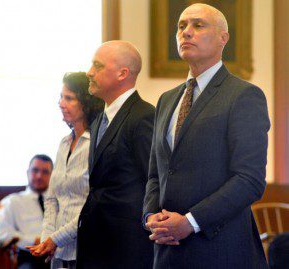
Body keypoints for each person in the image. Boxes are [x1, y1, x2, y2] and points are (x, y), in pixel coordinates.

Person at [143, 3, 270, 269]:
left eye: (198, 25)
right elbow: (157, 173)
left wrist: (190, 222)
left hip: (220, 250)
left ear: (223, 38)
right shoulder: (166, 101)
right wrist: (150, 216)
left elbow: (249, 179)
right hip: (167, 251)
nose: (186, 32)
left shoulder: (244, 95)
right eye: (181, 26)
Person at [76, 40, 154, 269]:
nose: (89, 72)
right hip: (96, 242)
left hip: (128, 246)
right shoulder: (100, 118)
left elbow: (153, 180)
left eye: (98, 66)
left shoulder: (144, 117)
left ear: (122, 73)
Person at [27, 72, 104, 269]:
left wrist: (55, 239)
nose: (61, 103)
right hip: (58, 252)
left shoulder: (98, 144)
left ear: (86, 103)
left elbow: (91, 206)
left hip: (87, 248)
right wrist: (47, 240)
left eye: (69, 98)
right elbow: (52, 199)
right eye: (61, 97)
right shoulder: (64, 143)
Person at [0, 154, 53, 269]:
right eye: (35, 170)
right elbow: (1, 236)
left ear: (52, 175)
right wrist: (34, 241)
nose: (39, 176)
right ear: (27, 172)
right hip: (29, 257)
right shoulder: (10, 202)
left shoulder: (60, 201)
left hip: (58, 254)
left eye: (45, 172)